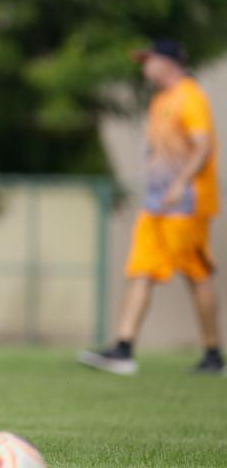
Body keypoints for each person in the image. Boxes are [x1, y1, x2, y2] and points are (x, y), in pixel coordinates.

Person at [80, 38, 223, 376]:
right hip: (157, 204)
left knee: (196, 274)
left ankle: (214, 354)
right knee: (140, 270)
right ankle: (123, 349)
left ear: (170, 63)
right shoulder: (161, 100)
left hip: (186, 203)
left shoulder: (191, 97)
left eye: (150, 60)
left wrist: (180, 183)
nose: (145, 67)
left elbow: (203, 147)